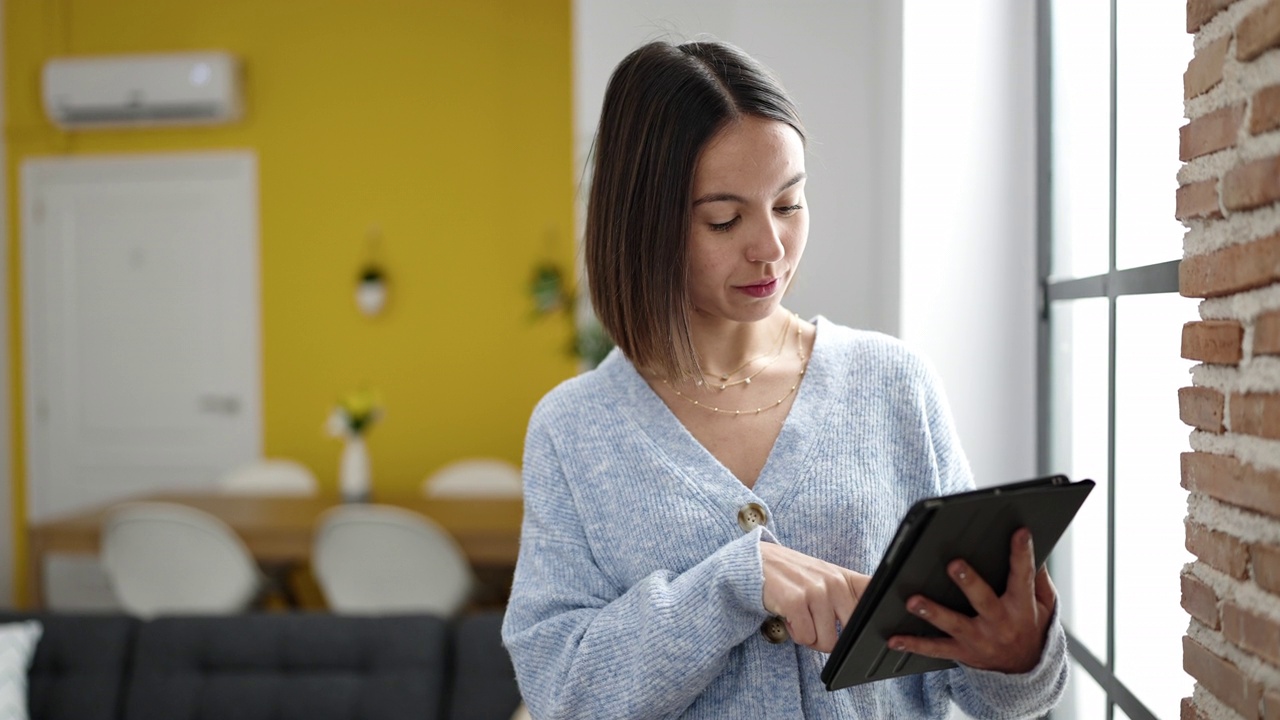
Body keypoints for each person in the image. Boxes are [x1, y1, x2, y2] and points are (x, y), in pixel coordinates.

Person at [502, 38, 1067, 719]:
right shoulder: (574, 430)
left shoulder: (892, 384)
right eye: (724, 218)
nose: (769, 247)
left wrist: (1017, 656)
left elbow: (1002, 696)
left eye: (789, 204)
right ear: (646, 223)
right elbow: (562, 693)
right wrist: (736, 583)